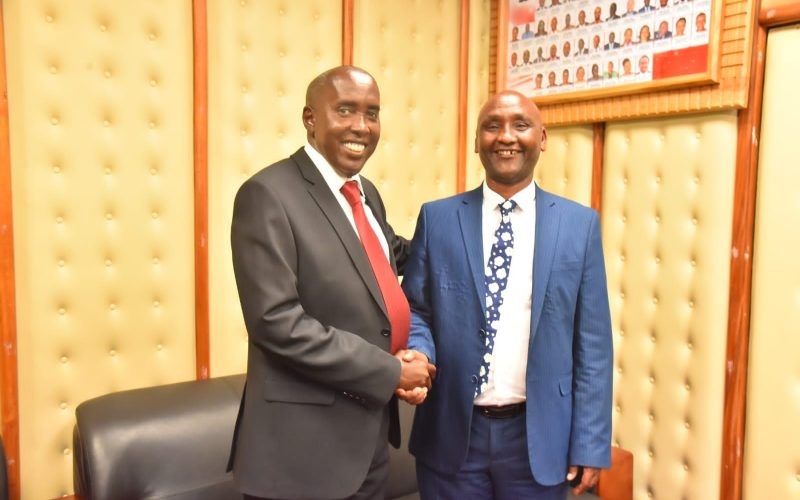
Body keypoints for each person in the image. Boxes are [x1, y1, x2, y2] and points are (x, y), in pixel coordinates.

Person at [227, 65, 434, 500]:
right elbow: (276, 322)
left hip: (368, 443)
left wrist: (463, 233)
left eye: (372, 113)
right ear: (310, 118)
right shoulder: (267, 195)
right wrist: (391, 370)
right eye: (345, 110)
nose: (362, 126)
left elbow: (392, 254)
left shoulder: (365, 193)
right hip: (301, 458)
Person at [401, 91, 613, 499]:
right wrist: (420, 353)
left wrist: (590, 442)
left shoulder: (579, 225)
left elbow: (593, 344)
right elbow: (417, 309)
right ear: (478, 140)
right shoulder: (438, 218)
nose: (506, 136)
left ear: (543, 138)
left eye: (520, 125)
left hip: (540, 437)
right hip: (451, 434)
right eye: (492, 125)